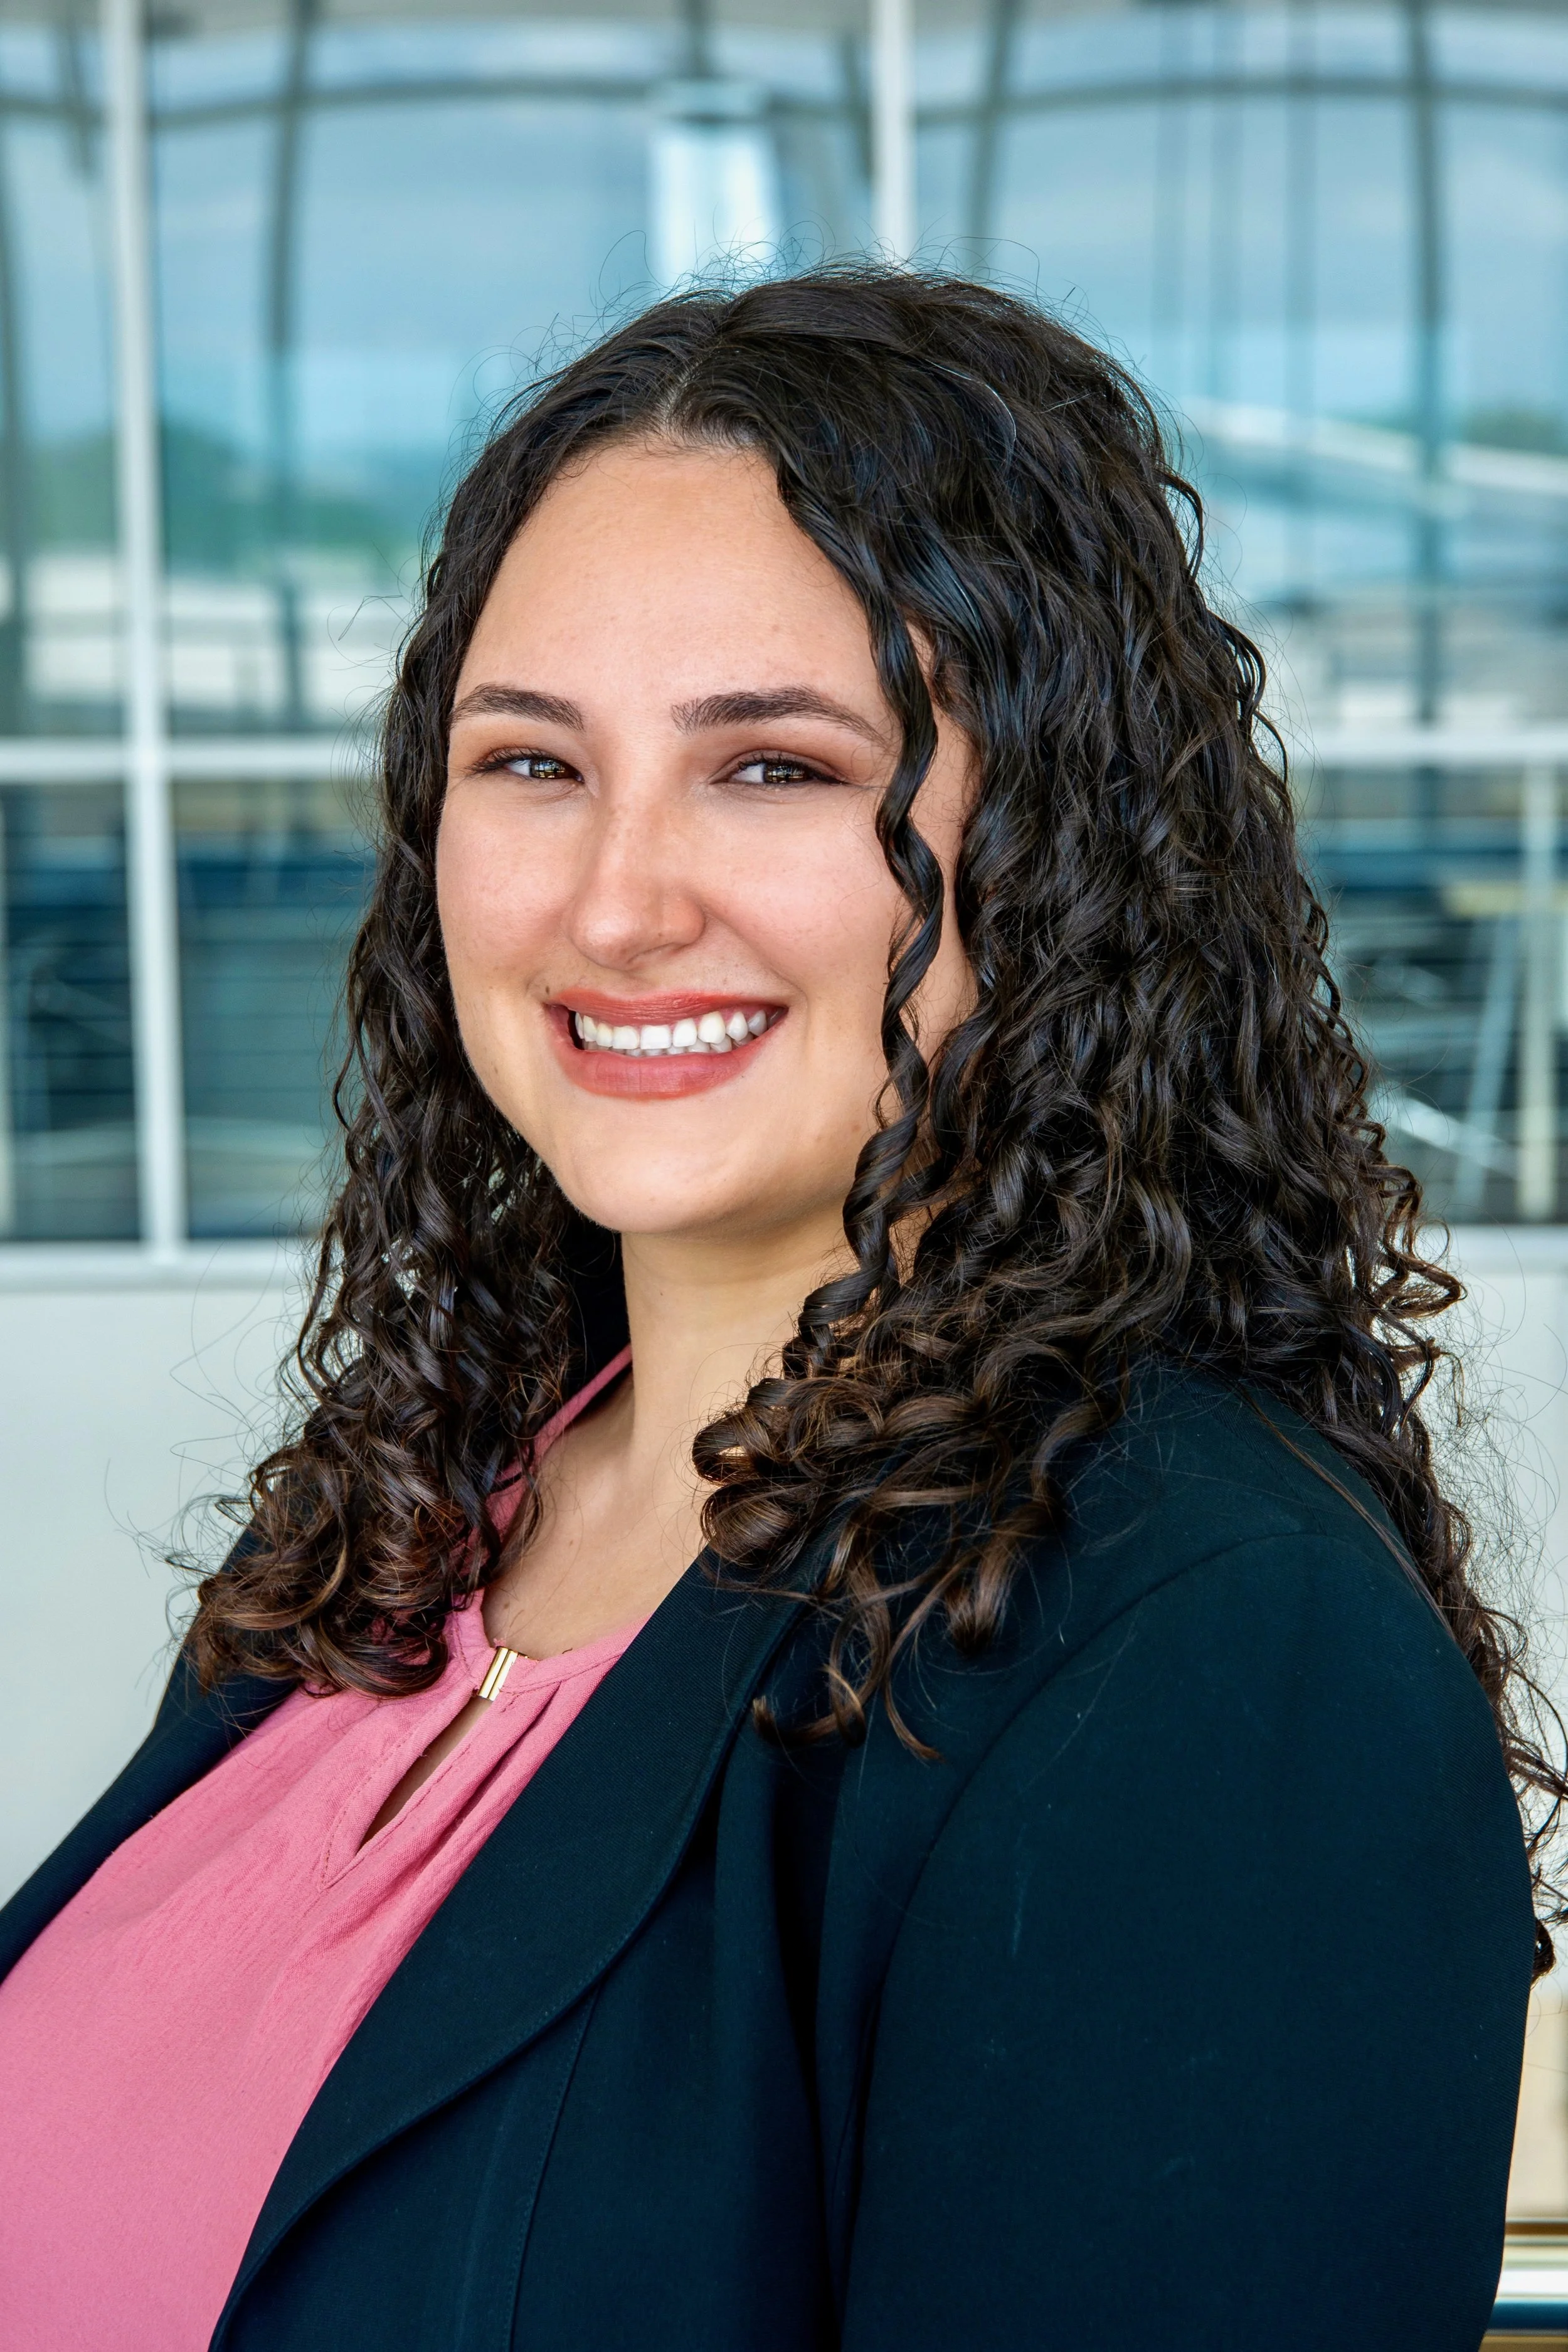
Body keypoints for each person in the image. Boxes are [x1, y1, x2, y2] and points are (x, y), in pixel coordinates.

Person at [0, 267, 1547, 2351]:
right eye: (532, 764)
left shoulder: (1200, 1650)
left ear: (1059, 848)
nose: (618, 901)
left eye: (776, 770)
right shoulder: (408, 1528)